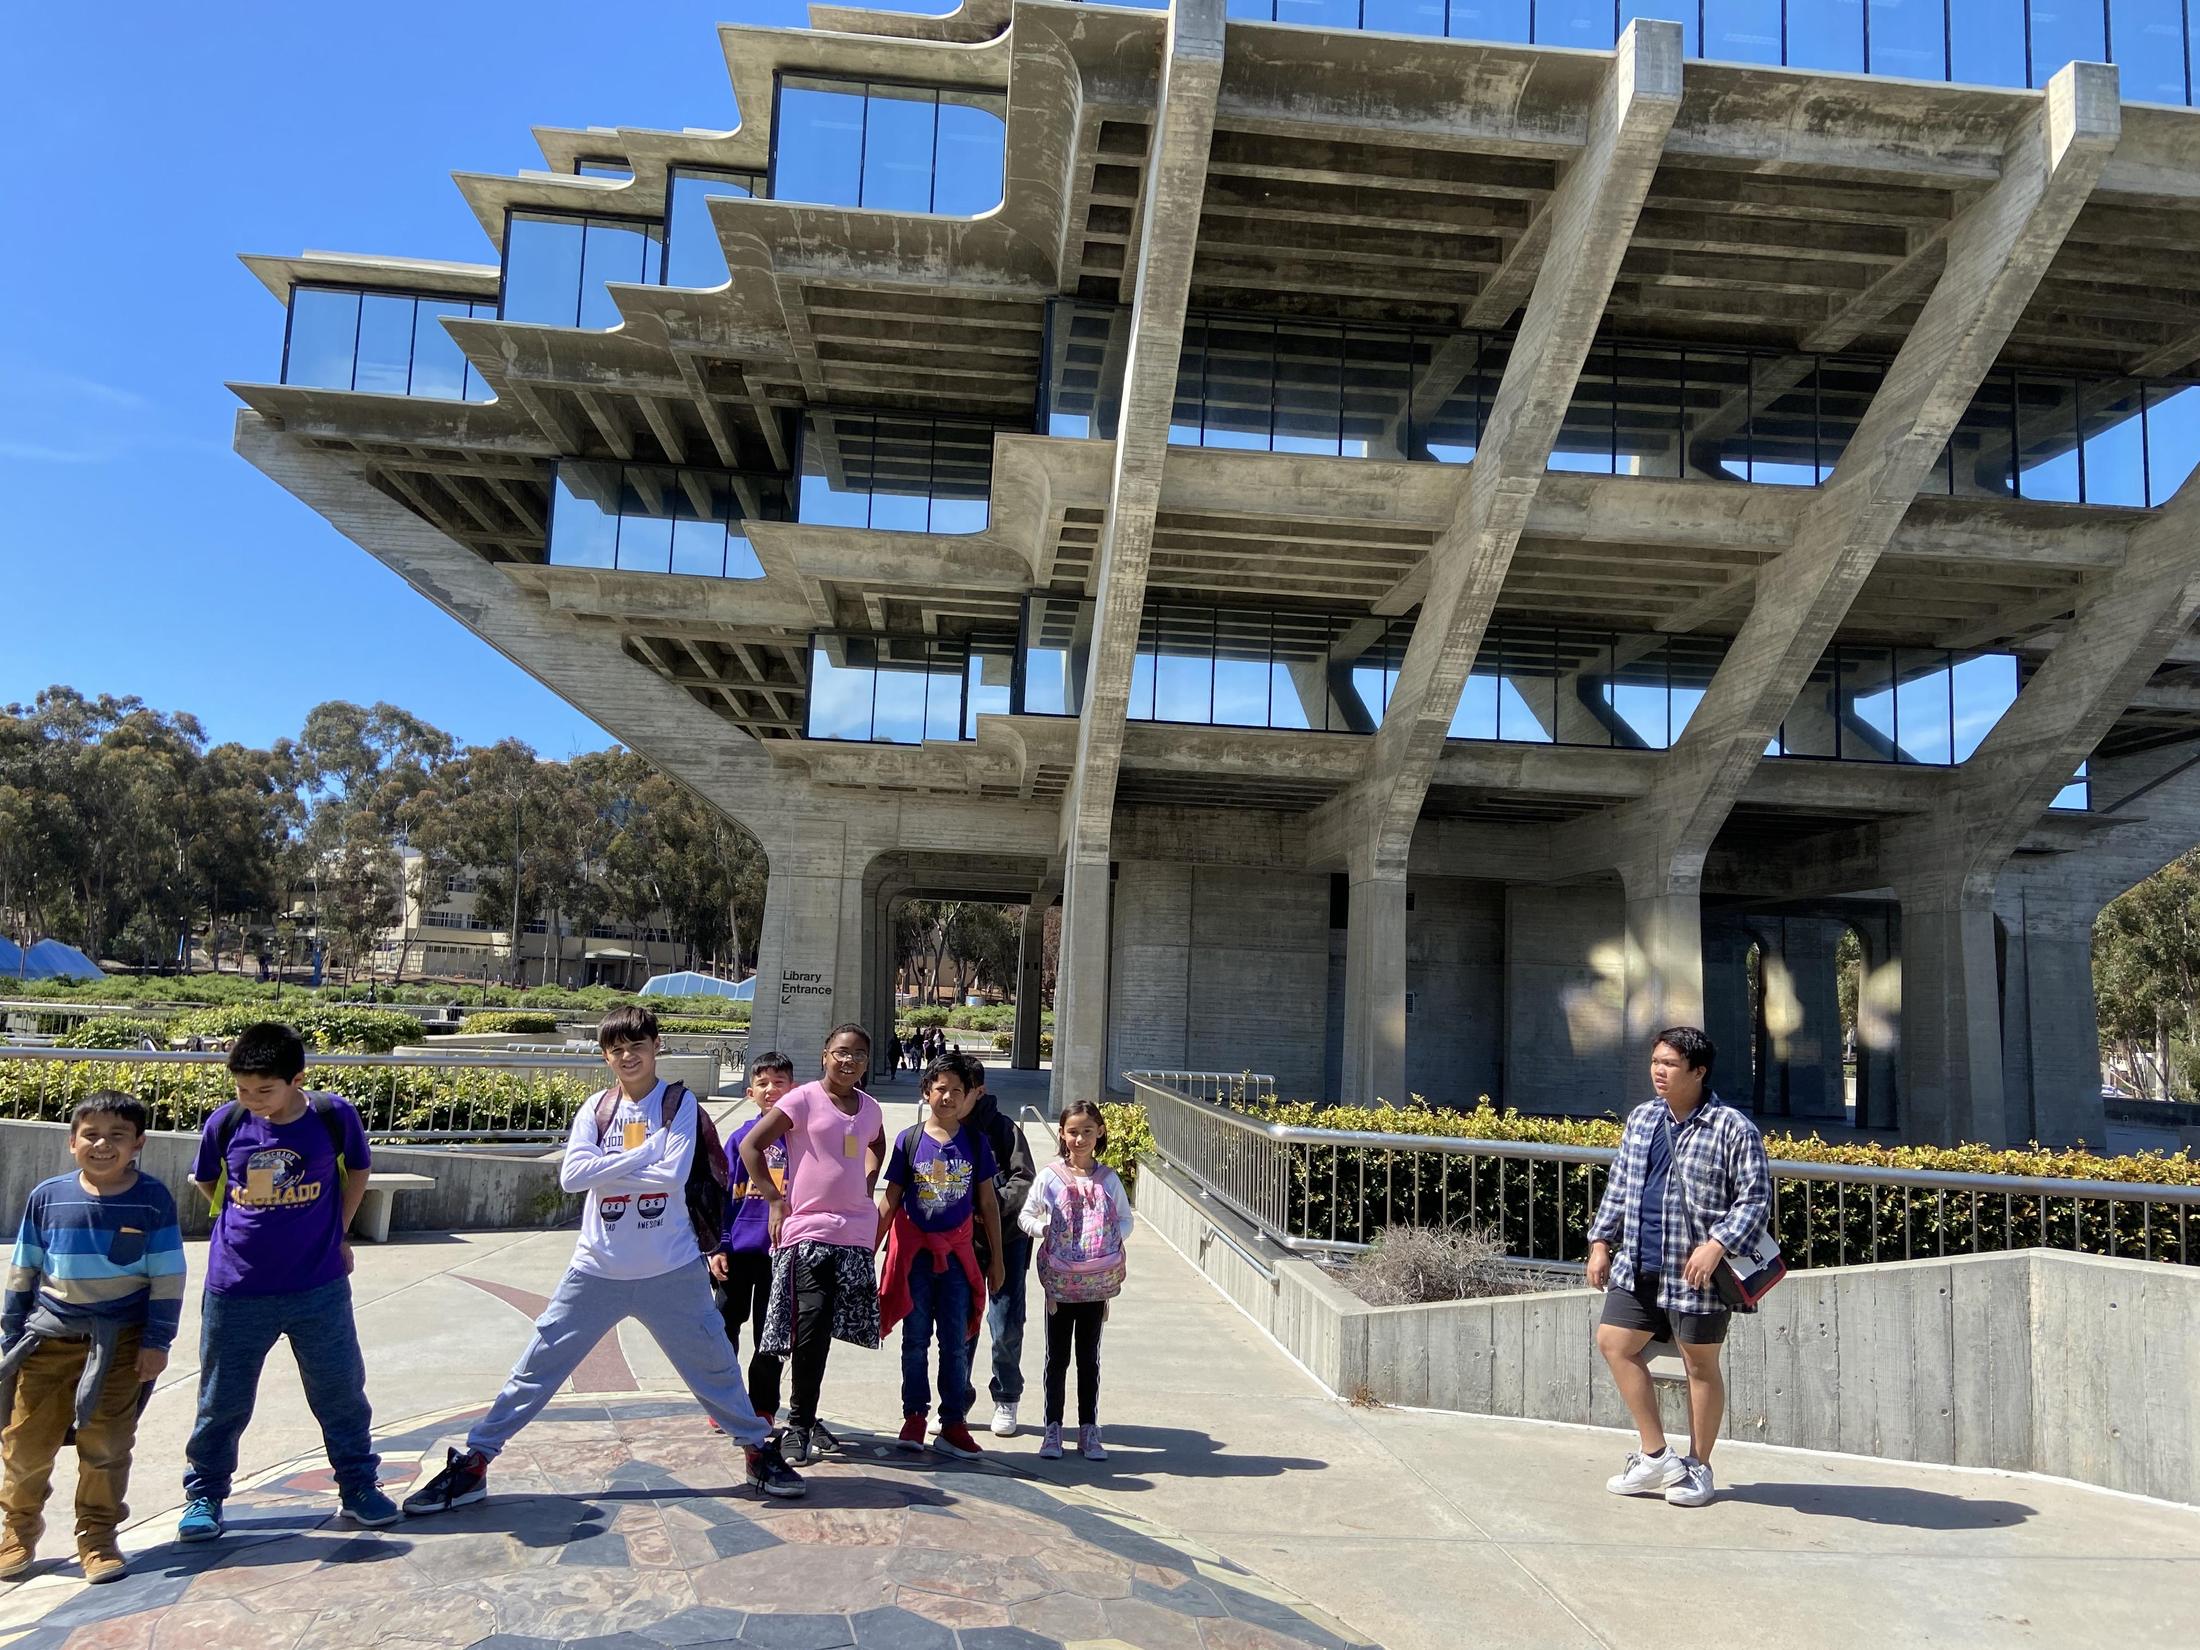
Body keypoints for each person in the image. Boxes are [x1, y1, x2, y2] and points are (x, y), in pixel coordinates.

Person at [402, 1006, 804, 1514]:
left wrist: (607, 1169)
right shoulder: (596, 1107)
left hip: (671, 1267)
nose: (627, 1055)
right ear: (605, 1055)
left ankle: (754, 1451)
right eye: (616, 1048)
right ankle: (475, 1462)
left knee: (715, 1368)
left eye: (636, 1044)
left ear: (657, 1045)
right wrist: (643, 1155)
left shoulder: (678, 1104)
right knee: (536, 1367)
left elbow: (672, 1176)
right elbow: (572, 1176)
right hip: (596, 1269)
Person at [178, 1023, 397, 1541]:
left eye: (265, 1090)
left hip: (317, 1287)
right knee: (222, 1399)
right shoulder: (227, 1122)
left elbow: (359, 1171)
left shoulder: (331, 1116)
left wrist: (340, 1232)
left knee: (340, 1390)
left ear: (298, 1078)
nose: (253, 1100)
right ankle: (204, 1493)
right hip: (236, 1289)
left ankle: (358, 1485)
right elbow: (207, 1179)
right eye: (242, 1090)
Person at [0, 1093, 185, 1584]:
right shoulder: (48, 1196)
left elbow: (167, 1276)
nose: (103, 1145)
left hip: (120, 1343)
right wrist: (9, 1337)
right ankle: (18, 1532)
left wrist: (157, 1342)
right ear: (72, 1142)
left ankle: (98, 1537)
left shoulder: (151, 1200)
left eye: (118, 1136)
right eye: (92, 1135)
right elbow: (24, 1269)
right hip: (49, 1340)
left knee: (106, 1445)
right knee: (24, 1446)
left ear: (138, 1144)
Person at [1586, 1026, 1772, 1510]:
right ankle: (1655, 1456)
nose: (1659, 1071)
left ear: (1698, 1070)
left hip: (1697, 1274)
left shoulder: (1732, 1127)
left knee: (1699, 1365)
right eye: (1655, 1062)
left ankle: (1698, 1467)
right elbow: (1620, 1185)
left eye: (1669, 1063)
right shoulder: (1643, 1119)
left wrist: (1718, 1244)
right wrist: (1601, 1241)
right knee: (1614, 1343)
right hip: (1639, 1262)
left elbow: (1755, 1200)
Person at [743, 1024, 886, 1467]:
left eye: (859, 1055)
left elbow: (876, 1146)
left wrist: (865, 1186)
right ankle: (799, 1423)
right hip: (807, 1232)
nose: (849, 1062)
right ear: (825, 1055)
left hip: (854, 1235)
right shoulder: (801, 1099)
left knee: (825, 1330)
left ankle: (805, 1415)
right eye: (842, 1053)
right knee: (808, 1327)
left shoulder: (870, 1109)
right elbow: (752, 1145)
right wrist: (774, 1199)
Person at [875, 1061, 1005, 1457]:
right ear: (926, 1091)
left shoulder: (976, 1142)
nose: (947, 1097)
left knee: (955, 1342)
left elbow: (987, 1201)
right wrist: (866, 1250)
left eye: (956, 1091)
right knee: (914, 1340)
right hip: (914, 1257)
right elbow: (892, 1198)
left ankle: (953, 1423)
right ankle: (914, 1415)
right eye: (940, 1088)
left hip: (956, 1260)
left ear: (969, 1097)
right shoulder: (908, 1140)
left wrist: (996, 1259)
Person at [1018, 1101, 1130, 1461]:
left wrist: (1110, 1237)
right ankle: (1052, 1428)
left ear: (1099, 1132)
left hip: (1095, 1282)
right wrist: (1043, 1228)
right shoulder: (1051, 1176)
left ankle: (1088, 1429)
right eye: (1072, 1131)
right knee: (1057, 1358)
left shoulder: (1109, 1178)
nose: (1079, 1138)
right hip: (1060, 1284)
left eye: (1087, 1130)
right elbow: (1026, 1214)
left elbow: (1125, 1220)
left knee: (1089, 1358)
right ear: (1062, 1134)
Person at [707, 1050, 795, 1433]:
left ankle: (763, 1406)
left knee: (770, 1336)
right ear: (749, 1093)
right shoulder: (739, 1140)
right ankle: (724, 1401)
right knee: (725, 1328)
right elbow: (721, 1197)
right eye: (763, 1083)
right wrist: (717, 1246)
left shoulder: (802, 1141)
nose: (771, 1090)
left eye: (779, 1082)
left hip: (782, 1255)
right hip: (738, 1254)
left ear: (795, 1089)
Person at [953, 1054, 1037, 1436]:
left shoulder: (1004, 1129)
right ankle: (956, 1399)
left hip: (1008, 1239)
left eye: (960, 1090)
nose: (951, 1097)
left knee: (1005, 1324)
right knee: (960, 1325)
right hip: (960, 1240)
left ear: (979, 1091)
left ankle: (1006, 1397)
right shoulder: (942, 1130)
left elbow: (1024, 1179)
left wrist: (991, 1207)